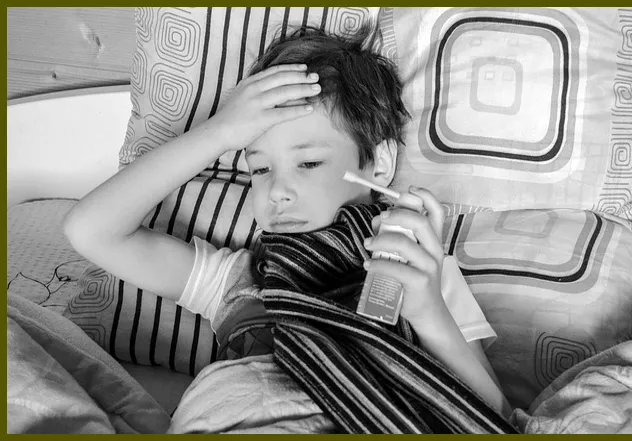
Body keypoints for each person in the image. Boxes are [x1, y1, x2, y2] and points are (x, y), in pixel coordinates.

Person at [64, 26, 512, 433]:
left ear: (380, 165)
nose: (277, 191)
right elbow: (90, 231)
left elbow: (494, 418)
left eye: (309, 163)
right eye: (260, 169)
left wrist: (429, 313)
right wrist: (220, 133)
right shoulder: (237, 281)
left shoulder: (421, 274)